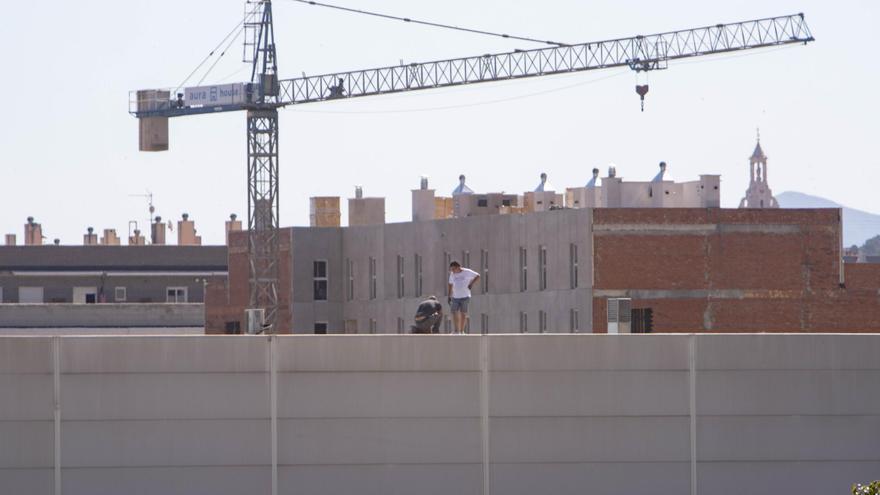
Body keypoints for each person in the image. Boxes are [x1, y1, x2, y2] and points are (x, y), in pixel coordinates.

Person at [447, 261, 480, 334]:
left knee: (463, 313)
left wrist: (471, 284)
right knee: (454, 312)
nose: (452, 271)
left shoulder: (467, 272)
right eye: (451, 269)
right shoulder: (452, 274)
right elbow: (450, 284)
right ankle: (456, 330)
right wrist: (449, 295)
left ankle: (461, 330)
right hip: (455, 296)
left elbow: (478, 275)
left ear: (458, 267)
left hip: (465, 296)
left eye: (453, 269)